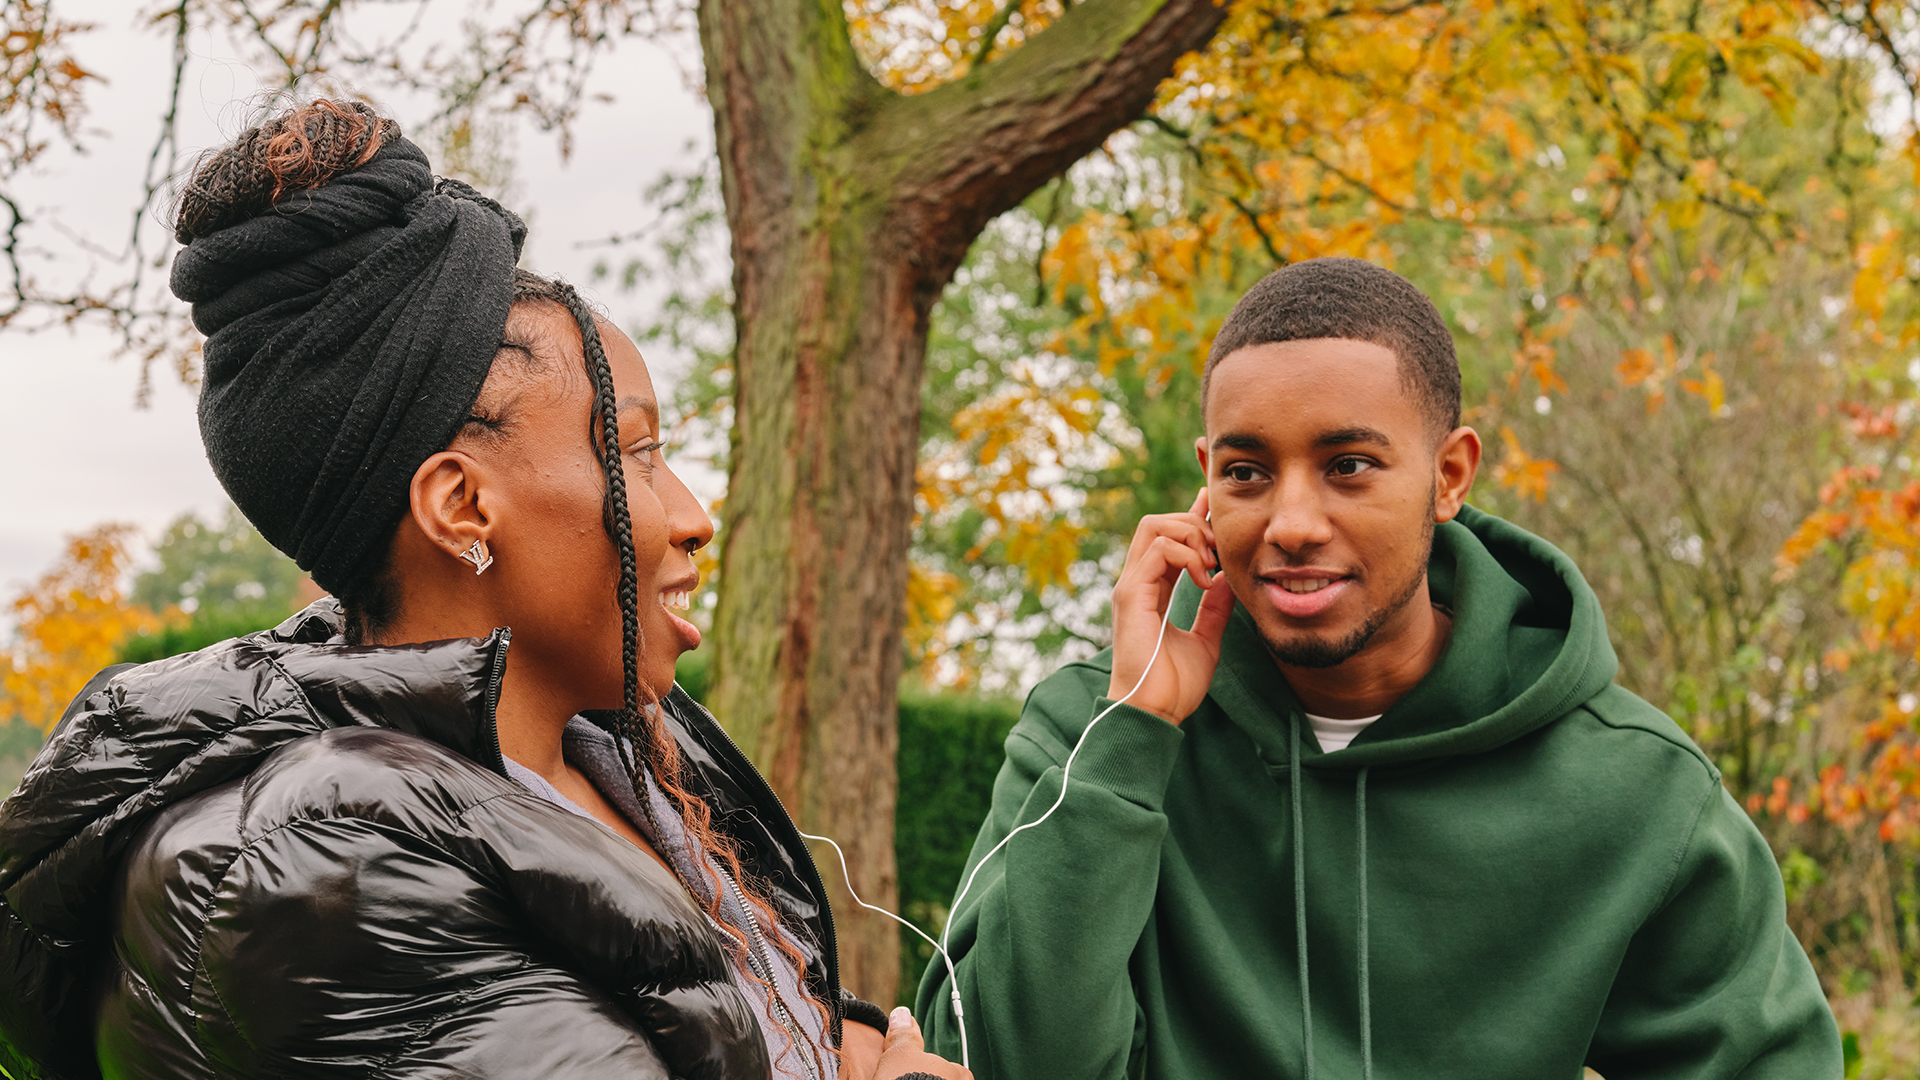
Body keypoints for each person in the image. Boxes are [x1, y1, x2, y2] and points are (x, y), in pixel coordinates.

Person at [0, 99, 965, 1080]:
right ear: (462, 507)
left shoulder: (621, 753)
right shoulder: (324, 869)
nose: (693, 514)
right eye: (635, 452)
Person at [916, 257, 1841, 1078]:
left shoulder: (1635, 788)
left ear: (1449, 476)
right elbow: (992, 1063)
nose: (1292, 523)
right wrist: (1131, 738)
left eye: (1349, 465)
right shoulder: (1089, 735)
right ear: (1204, 483)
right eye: (1246, 472)